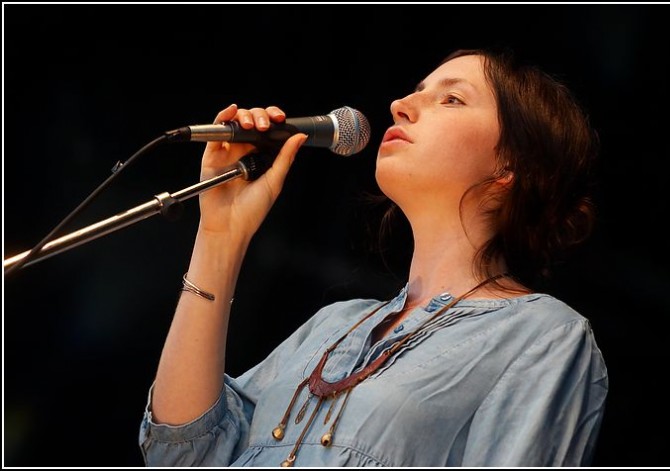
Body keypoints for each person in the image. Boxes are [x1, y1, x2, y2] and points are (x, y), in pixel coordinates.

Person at [138, 47, 608, 467]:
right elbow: (183, 454)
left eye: (451, 99)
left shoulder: (540, 336)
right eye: (416, 91)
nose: (400, 105)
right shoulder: (332, 326)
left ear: (513, 166)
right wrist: (219, 236)